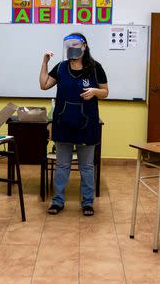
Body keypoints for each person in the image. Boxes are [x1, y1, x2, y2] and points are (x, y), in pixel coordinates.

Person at [39, 33, 108, 216]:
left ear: (84, 46)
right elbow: (44, 85)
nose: (72, 49)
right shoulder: (60, 67)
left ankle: (87, 202)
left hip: (86, 124)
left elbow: (105, 92)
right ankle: (57, 202)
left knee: (86, 166)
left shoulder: (95, 68)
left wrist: (94, 91)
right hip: (64, 123)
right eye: (68, 46)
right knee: (62, 166)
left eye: (75, 45)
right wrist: (45, 62)